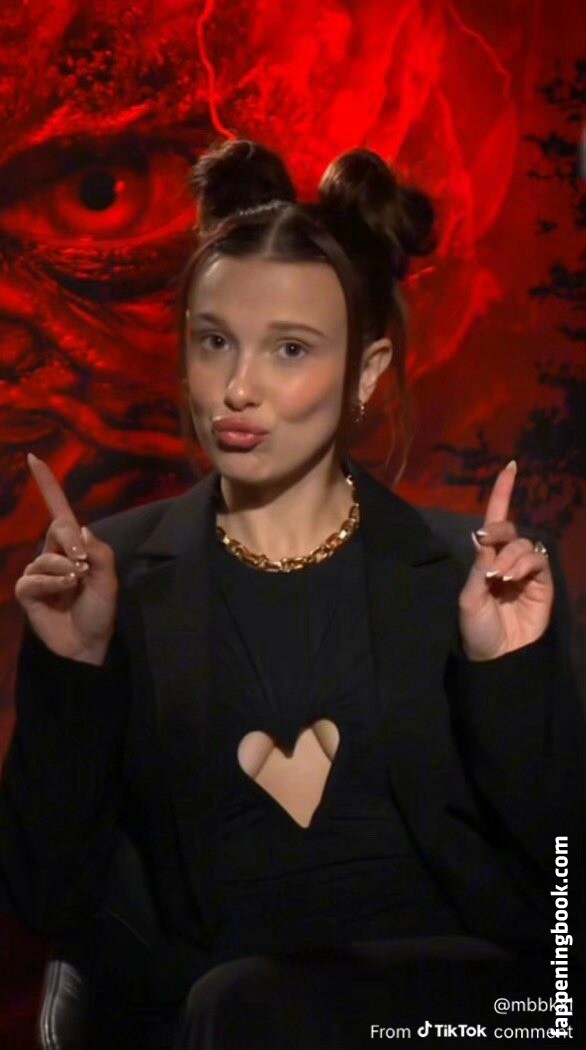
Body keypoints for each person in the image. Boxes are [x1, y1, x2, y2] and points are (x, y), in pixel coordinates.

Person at [0, 138, 582, 1049]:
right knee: (237, 1005)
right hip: (211, 1015)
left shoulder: (479, 580)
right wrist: (74, 670)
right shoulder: (113, 576)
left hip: (450, 1017)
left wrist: (504, 676)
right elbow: (47, 899)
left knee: (251, 1004)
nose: (239, 388)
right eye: (215, 342)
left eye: (290, 349)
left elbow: (561, 889)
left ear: (366, 373)